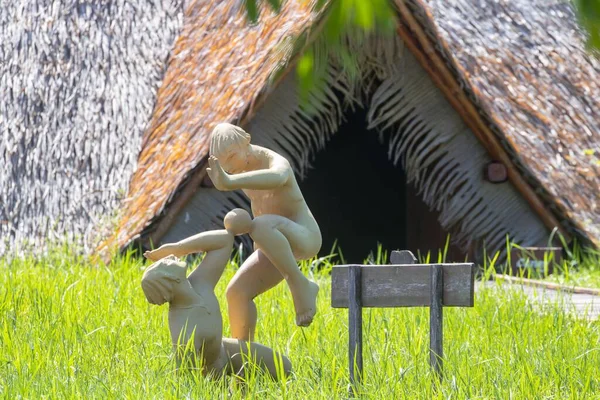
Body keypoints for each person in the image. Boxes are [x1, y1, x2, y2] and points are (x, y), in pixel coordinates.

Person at [142, 209, 292, 380]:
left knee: (284, 368)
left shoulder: (199, 283)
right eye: (165, 264)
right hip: (211, 371)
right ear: (172, 281)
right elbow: (184, 377)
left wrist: (178, 248)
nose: (169, 257)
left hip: (225, 350)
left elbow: (224, 240)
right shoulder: (184, 328)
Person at [206, 123, 321, 340]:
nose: (229, 168)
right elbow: (259, 204)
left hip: (304, 236)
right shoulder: (241, 170)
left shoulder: (275, 162)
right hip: (274, 243)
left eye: (231, 157)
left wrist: (230, 182)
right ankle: (244, 357)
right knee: (236, 292)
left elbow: (277, 177)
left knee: (260, 225)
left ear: (247, 140)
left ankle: (300, 284)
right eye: (224, 165)